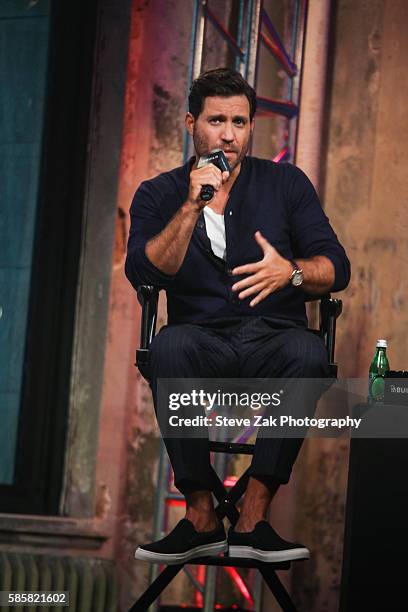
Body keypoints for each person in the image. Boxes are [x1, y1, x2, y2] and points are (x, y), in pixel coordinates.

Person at [125, 68, 350, 565]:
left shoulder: (287, 184)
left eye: (240, 122)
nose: (229, 134)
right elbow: (144, 270)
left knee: (306, 351)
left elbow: (337, 268)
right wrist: (190, 204)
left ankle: (253, 516)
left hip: (273, 341)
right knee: (169, 346)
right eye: (217, 120)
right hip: (201, 341)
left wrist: (290, 273)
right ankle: (202, 514)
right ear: (191, 123)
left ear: (252, 127)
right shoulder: (158, 194)